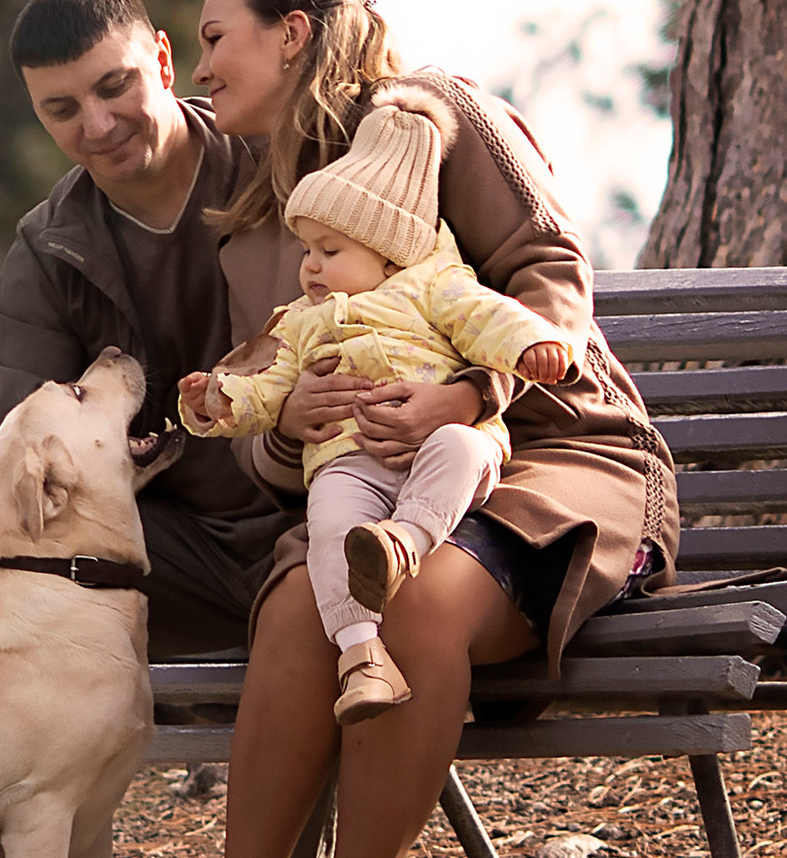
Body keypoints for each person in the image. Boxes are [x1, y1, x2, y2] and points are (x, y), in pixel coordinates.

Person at [179, 0, 680, 858]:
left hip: (552, 453)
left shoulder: (435, 112)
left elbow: (550, 277)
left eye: (215, 37)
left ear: (294, 31)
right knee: (294, 610)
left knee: (418, 601)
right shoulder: (263, 221)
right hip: (372, 485)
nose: (200, 67)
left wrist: (470, 392)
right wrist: (286, 426)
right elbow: (274, 409)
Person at [0, 0, 300, 659]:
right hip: (173, 553)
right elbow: (11, 459)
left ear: (162, 60)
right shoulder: (47, 253)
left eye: (113, 86)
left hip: (328, 512)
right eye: (61, 109)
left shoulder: (282, 162)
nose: (97, 126)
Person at [178, 93, 569, 722]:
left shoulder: (435, 288)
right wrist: (218, 401)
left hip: (432, 452)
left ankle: (402, 542)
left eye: (329, 251)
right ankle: (363, 660)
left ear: (387, 252)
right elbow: (265, 383)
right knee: (330, 519)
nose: (310, 267)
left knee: (463, 447)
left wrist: (536, 345)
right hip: (351, 461)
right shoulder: (303, 323)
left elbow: (489, 319)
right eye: (307, 250)